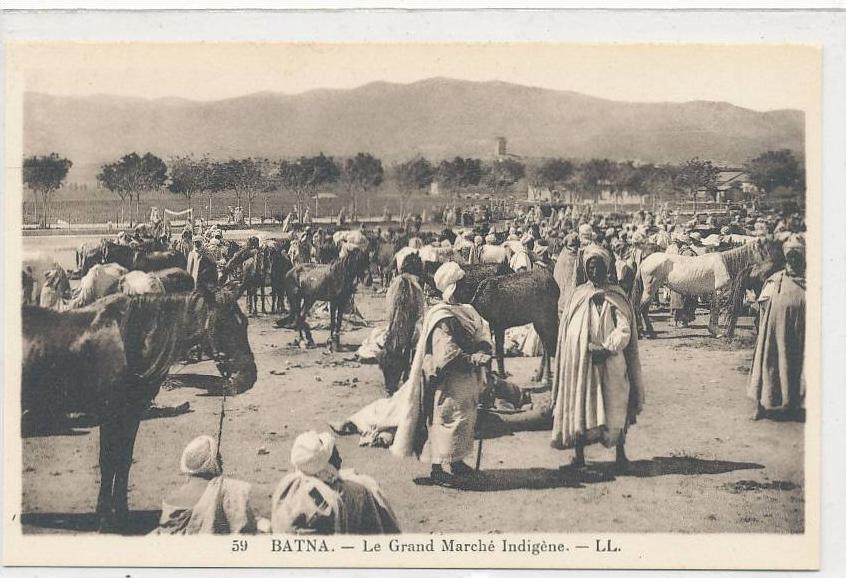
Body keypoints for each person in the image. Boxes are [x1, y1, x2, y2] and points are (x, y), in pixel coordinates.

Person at [390, 262, 494, 485]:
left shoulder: (467, 310)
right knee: (444, 421)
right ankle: (437, 468)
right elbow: (445, 352)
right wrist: (472, 359)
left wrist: (484, 348)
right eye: (463, 284)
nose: (468, 288)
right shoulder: (441, 316)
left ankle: (456, 462)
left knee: (464, 420)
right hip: (447, 378)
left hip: (466, 378)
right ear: (452, 288)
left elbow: (481, 332)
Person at [550, 245, 644, 472]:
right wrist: (583, 346)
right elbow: (569, 331)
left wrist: (607, 348)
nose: (594, 271)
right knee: (582, 404)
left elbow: (624, 330)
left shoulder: (616, 296)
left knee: (615, 404)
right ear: (585, 269)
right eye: (590, 267)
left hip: (611, 361)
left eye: (598, 267)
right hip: (584, 362)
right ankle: (579, 456)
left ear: (607, 268)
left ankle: (620, 455)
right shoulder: (579, 296)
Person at [270, 431, 400, 534]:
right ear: (326, 466)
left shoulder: (289, 482)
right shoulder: (344, 495)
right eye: (335, 456)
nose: (340, 459)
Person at [747, 235, 806, 420]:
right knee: (769, 364)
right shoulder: (776, 280)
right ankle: (762, 406)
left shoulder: (810, 281)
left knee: (797, 367)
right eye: (791, 255)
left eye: (797, 255)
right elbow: (762, 305)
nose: (794, 259)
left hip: (801, 334)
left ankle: (794, 405)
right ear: (786, 257)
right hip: (775, 333)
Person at [153, 435, 258, 535]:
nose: (221, 461)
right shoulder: (228, 489)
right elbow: (243, 527)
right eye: (218, 457)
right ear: (210, 461)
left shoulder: (172, 497)